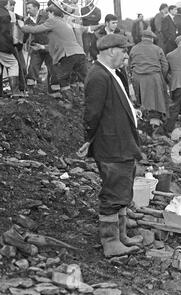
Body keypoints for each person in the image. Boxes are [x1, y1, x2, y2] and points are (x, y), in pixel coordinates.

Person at [82, 34, 143, 258]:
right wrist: (88, 138)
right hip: (111, 144)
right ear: (110, 51)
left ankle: (121, 235)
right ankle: (110, 242)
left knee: (123, 189)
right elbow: (92, 113)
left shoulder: (114, 73)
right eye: (123, 51)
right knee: (113, 192)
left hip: (121, 142)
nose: (126, 56)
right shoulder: (98, 76)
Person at [19, 4, 87, 103]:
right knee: (85, 79)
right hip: (79, 54)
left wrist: (22, 26)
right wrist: (42, 47)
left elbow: (35, 29)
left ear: (52, 13)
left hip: (67, 55)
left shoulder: (53, 20)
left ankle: (69, 104)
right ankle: (92, 100)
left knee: (63, 79)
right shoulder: (65, 23)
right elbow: (58, 43)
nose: (47, 16)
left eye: (48, 13)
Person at [129, 30, 169, 134]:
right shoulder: (157, 49)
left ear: (142, 38)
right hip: (153, 77)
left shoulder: (134, 48)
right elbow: (165, 66)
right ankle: (155, 126)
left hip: (137, 78)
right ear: (152, 39)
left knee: (141, 103)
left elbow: (129, 66)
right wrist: (161, 78)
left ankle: (141, 125)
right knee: (156, 103)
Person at [23, 0, 57, 96]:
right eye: (27, 8)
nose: (28, 10)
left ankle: (54, 91)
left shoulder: (45, 15)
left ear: (36, 7)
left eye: (29, 8)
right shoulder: (27, 21)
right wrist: (23, 42)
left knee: (53, 68)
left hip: (49, 46)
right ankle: (30, 89)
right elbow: (25, 34)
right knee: (33, 67)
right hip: (36, 47)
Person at [0, 0, 21, 97]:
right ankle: (15, 92)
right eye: (10, 4)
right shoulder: (6, 15)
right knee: (13, 64)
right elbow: (6, 33)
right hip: (3, 45)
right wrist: (13, 45)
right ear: (6, 4)